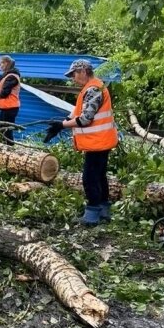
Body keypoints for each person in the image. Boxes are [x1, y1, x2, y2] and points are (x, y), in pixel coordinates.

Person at [43, 59, 118, 226]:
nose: (73, 79)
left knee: (89, 178)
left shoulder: (93, 89)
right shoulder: (91, 88)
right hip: (100, 141)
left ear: (83, 71)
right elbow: (76, 113)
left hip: (98, 142)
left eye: (74, 75)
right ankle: (104, 211)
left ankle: (92, 215)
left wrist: (61, 125)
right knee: (99, 176)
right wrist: (59, 125)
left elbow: (85, 119)